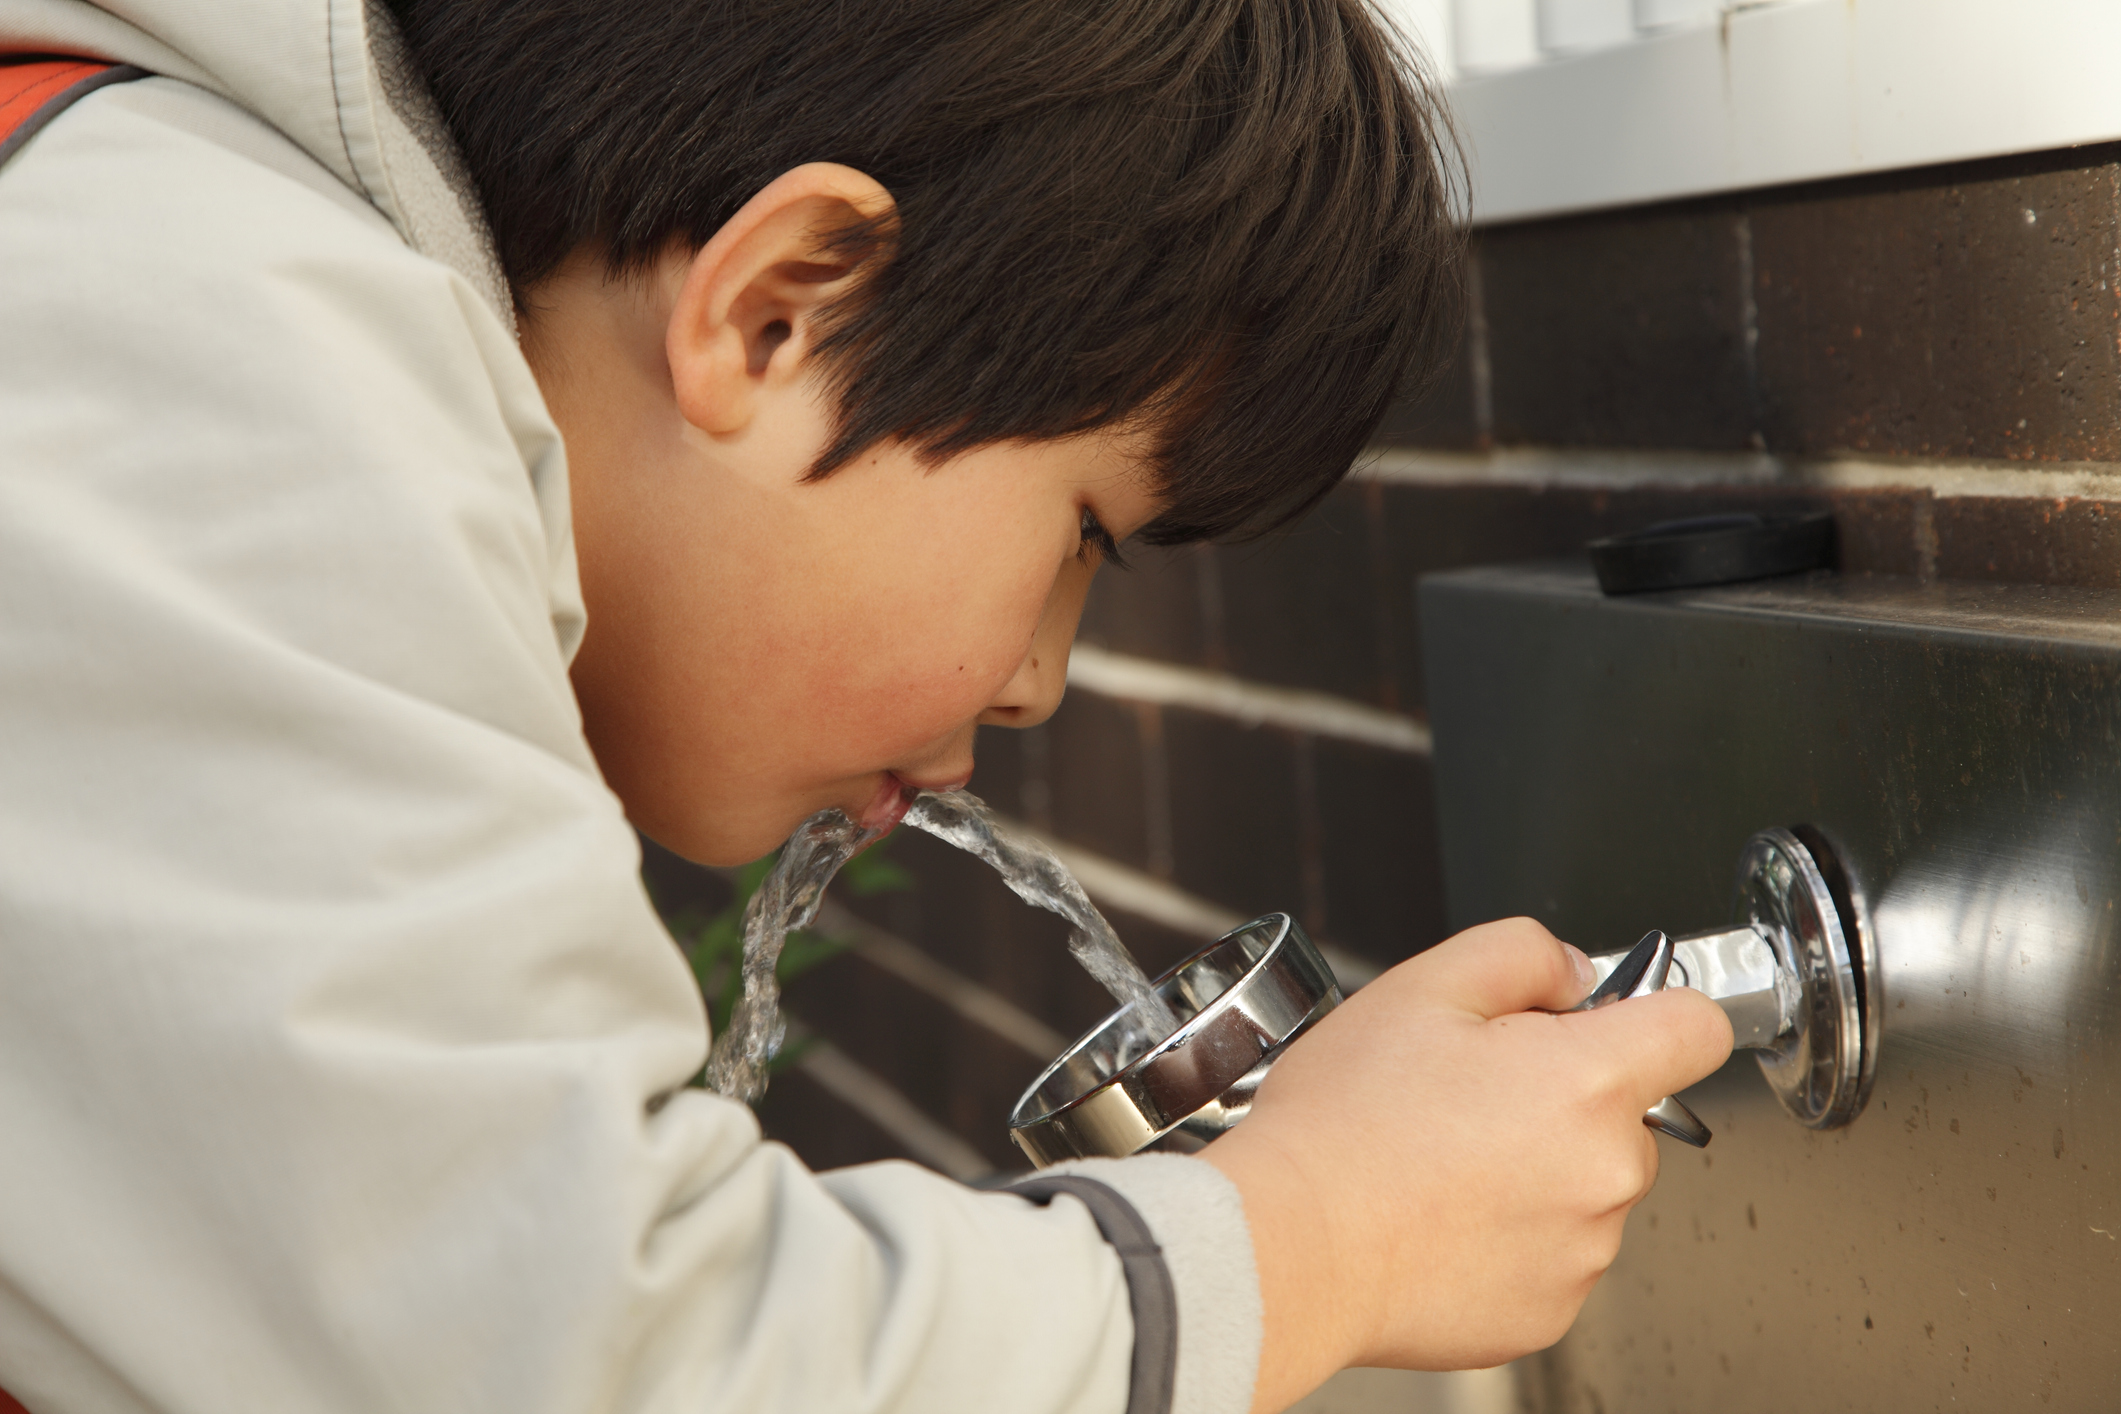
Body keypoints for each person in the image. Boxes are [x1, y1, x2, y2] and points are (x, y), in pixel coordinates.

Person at [0, 2, 1733, 1412]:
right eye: (1078, 540)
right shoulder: (186, 323)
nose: (1036, 680)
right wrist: (1326, 1231)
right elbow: (577, 1357)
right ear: (780, 308)